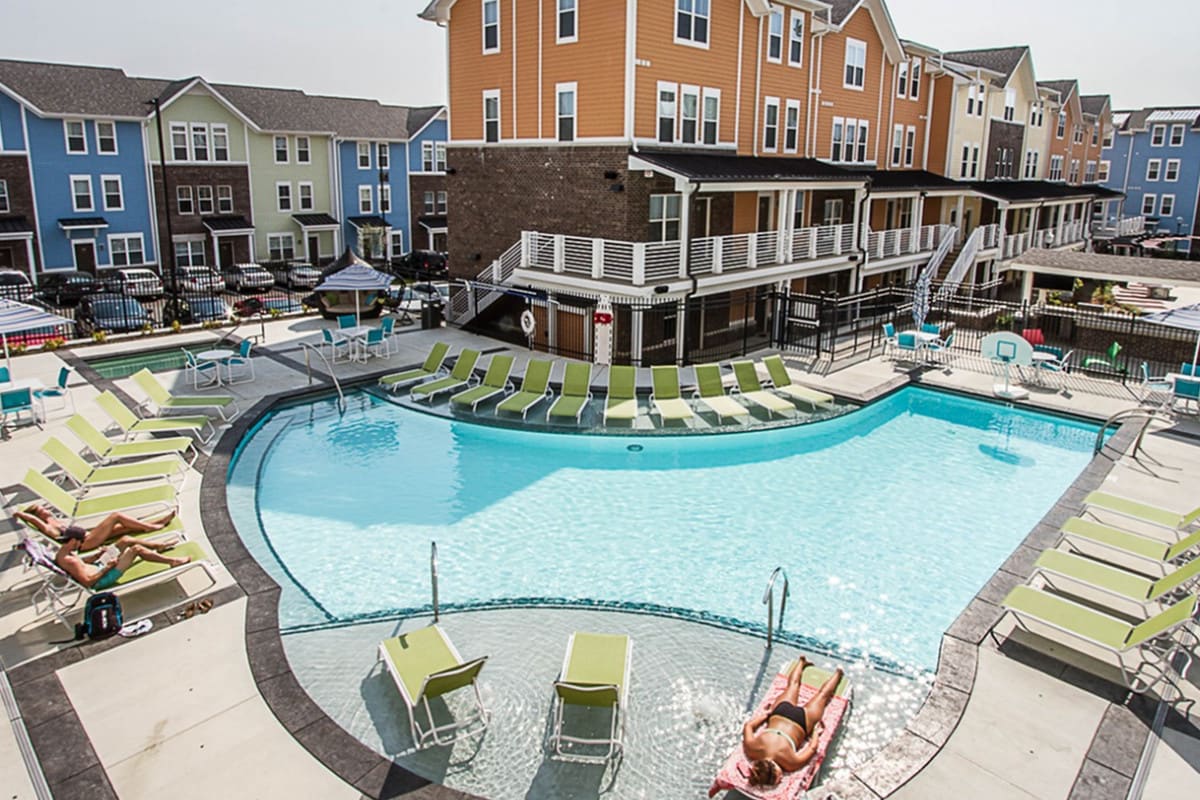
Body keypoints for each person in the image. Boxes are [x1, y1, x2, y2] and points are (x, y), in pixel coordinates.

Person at [742, 657, 844, 788]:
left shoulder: (790, 764)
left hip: (801, 722)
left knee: (822, 696)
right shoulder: (751, 749)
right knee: (792, 685)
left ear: (775, 771)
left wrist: (815, 733)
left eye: (778, 779)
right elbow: (748, 726)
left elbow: (812, 748)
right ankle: (801, 662)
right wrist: (766, 715)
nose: (781, 779)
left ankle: (838, 673)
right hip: (779, 713)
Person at [54, 526, 191, 590]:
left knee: (125, 540)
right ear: (73, 540)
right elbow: (88, 582)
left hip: (99, 566)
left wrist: (97, 556)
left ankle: (158, 545)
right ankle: (173, 562)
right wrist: (108, 568)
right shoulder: (69, 560)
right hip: (102, 578)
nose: (82, 544)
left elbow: (82, 564)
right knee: (136, 550)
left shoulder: (64, 552)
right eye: (81, 541)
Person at [15, 504, 177, 551]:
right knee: (116, 516)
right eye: (42, 511)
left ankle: (158, 522)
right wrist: (21, 515)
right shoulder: (48, 527)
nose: (47, 511)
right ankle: (151, 527)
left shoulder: (52, 520)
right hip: (87, 543)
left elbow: (45, 518)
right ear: (38, 516)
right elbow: (37, 523)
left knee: (124, 527)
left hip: (89, 536)